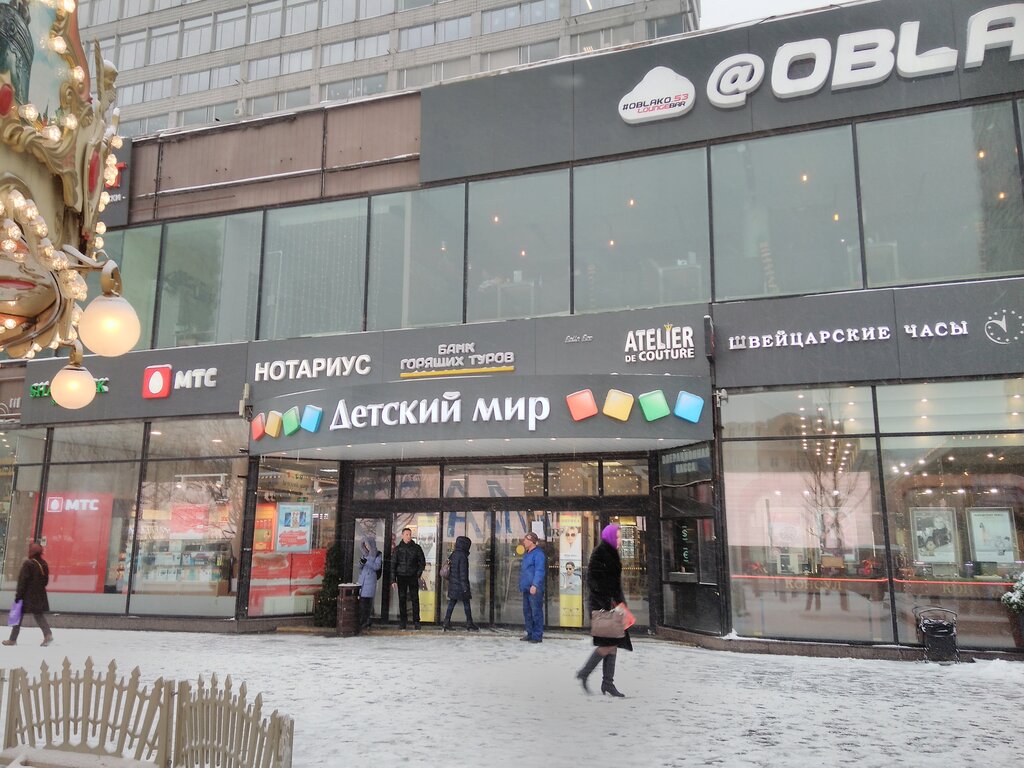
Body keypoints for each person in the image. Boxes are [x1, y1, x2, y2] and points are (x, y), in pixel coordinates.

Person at [576, 524, 631, 697]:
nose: (620, 540)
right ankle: (585, 673)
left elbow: (615, 584)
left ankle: (608, 683)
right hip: (602, 607)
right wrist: (607, 601)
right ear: (610, 537)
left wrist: (621, 604)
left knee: (612, 643)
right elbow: (594, 582)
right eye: (618, 537)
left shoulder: (611, 553)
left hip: (611, 606)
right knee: (608, 644)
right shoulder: (600, 553)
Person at [4, 542, 52, 647]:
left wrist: (18, 596)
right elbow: (45, 581)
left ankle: (12, 640)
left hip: (27, 596)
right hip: (39, 595)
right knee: (38, 615)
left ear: (31, 552)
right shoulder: (43, 563)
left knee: (18, 615)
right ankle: (48, 634)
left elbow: (22, 581)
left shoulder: (28, 564)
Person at [442, 536, 479, 632]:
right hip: (460, 584)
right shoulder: (463, 556)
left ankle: (446, 622)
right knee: (466, 603)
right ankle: (469, 623)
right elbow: (463, 573)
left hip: (453, 583)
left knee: (452, 602)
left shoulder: (454, 554)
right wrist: (465, 586)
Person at [391, 527, 426, 629]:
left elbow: (422, 562)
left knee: (415, 599)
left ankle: (416, 621)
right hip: (401, 576)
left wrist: (418, 574)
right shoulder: (397, 549)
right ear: (402, 535)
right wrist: (393, 580)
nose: (409, 536)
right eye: (406, 534)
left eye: (410, 534)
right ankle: (403, 621)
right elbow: (393, 565)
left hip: (412, 576)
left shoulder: (416, 548)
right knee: (402, 599)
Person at [519, 531, 545, 643]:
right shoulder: (527, 553)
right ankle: (530, 633)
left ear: (532, 541)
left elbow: (540, 570)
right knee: (527, 612)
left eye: (526, 540)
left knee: (536, 612)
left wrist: (535, 585)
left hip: (534, 588)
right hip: (526, 587)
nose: (524, 542)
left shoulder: (538, 554)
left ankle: (537, 635)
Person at [356, 536, 382, 629]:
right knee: (362, 603)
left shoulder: (378, 555)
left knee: (367, 603)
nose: (367, 547)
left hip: (370, 581)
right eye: (365, 545)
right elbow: (360, 567)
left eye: (368, 545)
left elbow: (377, 566)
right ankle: (362, 621)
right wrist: (361, 563)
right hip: (362, 581)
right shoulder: (365, 554)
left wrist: (366, 562)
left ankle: (366, 621)